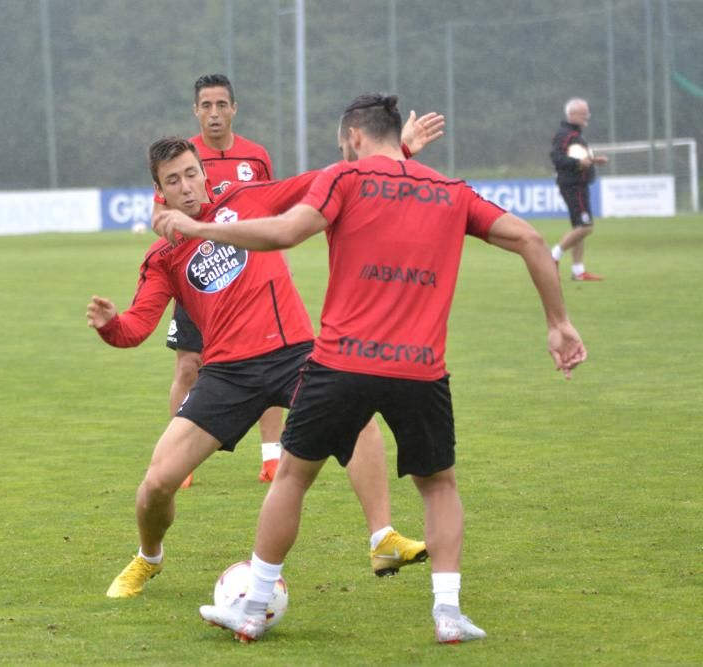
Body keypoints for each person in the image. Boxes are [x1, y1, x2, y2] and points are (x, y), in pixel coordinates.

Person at [155, 93, 587, 644]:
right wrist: (558, 323)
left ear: (354, 139)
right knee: (438, 486)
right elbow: (529, 238)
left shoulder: (347, 179)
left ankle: (253, 604)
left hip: (340, 363)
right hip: (420, 367)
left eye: (344, 145)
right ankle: (448, 613)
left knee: (292, 476)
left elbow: (286, 231)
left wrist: (200, 230)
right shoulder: (451, 191)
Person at [88, 113, 442, 600]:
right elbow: (135, 329)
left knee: (358, 418)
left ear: (204, 174)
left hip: (294, 354)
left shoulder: (246, 200)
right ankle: (149, 557)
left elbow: (322, 182)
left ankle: (382, 538)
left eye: (192, 173)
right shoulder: (163, 256)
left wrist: (395, 152)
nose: (187, 186)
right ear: (159, 191)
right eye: (174, 180)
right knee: (155, 484)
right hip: (227, 375)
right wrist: (110, 324)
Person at [167, 74, 281, 486]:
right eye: (206, 106)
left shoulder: (257, 157)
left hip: (250, 281)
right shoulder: (182, 158)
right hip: (200, 279)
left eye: (221, 105)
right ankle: (181, 461)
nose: (214, 114)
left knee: (269, 364)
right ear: (195, 111)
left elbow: (269, 210)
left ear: (234, 109)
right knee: (189, 365)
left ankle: (272, 458)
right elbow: (160, 217)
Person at [549, 97, 609, 281]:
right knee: (585, 227)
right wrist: (578, 162)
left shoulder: (574, 135)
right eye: (584, 114)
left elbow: (578, 158)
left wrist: (593, 160)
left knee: (579, 228)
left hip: (578, 184)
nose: (587, 117)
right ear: (572, 115)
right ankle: (552, 257)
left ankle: (578, 271)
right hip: (573, 185)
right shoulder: (565, 134)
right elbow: (557, 158)